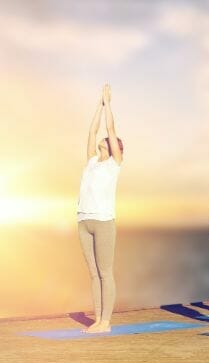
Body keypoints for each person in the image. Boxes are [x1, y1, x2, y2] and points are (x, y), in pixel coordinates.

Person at [77, 84, 123, 334]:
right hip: (84, 221)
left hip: (104, 221)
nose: (103, 141)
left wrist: (109, 104)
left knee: (105, 272)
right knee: (94, 274)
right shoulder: (92, 162)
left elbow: (109, 129)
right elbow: (92, 131)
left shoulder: (114, 165)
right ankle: (97, 320)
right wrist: (98, 105)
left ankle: (106, 322)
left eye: (109, 142)